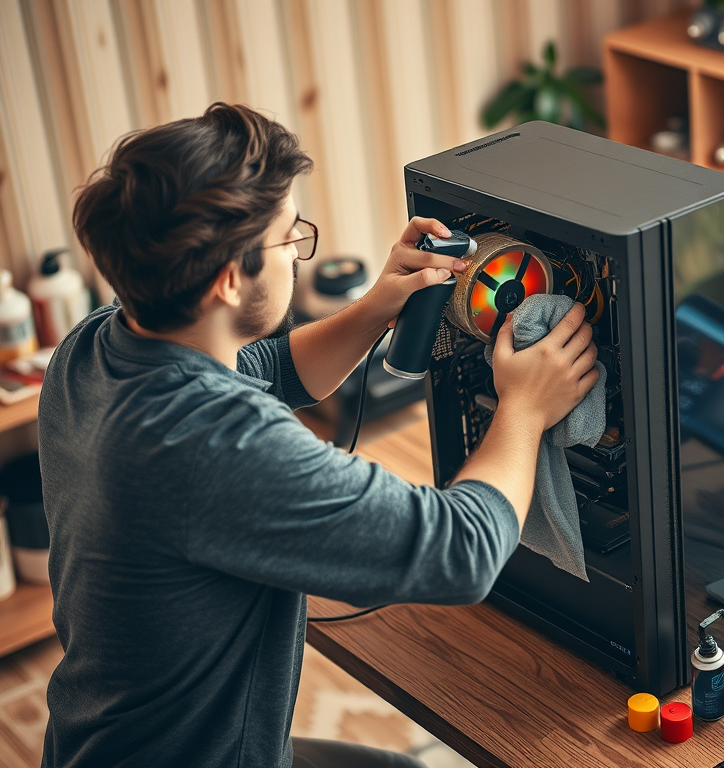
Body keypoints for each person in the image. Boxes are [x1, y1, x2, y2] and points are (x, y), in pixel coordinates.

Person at [37, 103, 599, 768]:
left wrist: (377, 305)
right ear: (227, 279)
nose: (300, 254)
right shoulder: (212, 445)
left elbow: (267, 369)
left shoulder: (96, 344)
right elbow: (462, 549)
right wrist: (526, 408)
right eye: (289, 239)